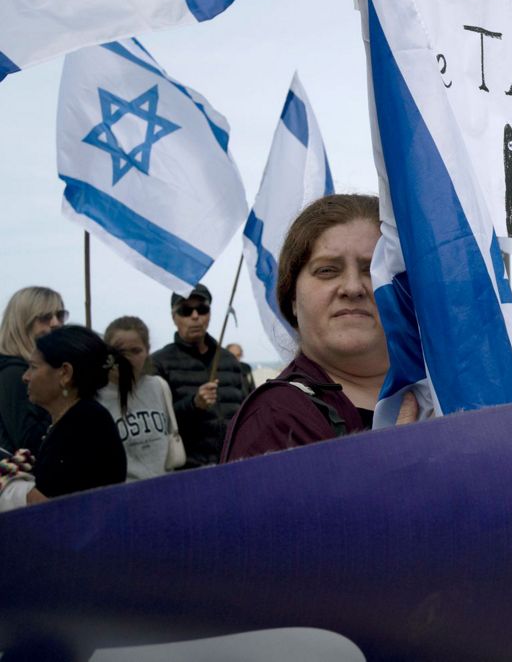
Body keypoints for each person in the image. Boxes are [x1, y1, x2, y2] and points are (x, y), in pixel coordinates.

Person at [222, 195, 421, 462]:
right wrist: (401, 469)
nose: (352, 288)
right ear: (292, 298)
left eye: (372, 269)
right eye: (327, 270)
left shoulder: (443, 392)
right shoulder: (276, 418)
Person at [0, 326, 127, 508]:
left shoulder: (86, 423)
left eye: (33, 367)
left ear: (65, 373)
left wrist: (9, 481)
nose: (25, 377)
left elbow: (56, 509)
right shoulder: (72, 420)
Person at [152, 284, 251, 469]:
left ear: (210, 314)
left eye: (202, 309)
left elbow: (245, 412)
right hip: (187, 471)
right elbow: (155, 427)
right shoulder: (159, 363)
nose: (195, 316)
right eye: (186, 310)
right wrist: (194, 404)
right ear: (174, 318)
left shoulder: (229, 360)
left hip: (234, 464)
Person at [101, 316, 183, 480]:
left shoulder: (158, 386)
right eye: (120, 351)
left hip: (162, 486)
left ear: (147, 351)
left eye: (136, 351)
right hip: (121, 495)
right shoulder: (97, 397)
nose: (128, 358)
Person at [0, 287, 67, 454]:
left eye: (60, 315)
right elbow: (29, 443)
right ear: (23, 323)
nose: (55, 323)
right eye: (45, 318)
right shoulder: (13, 374)